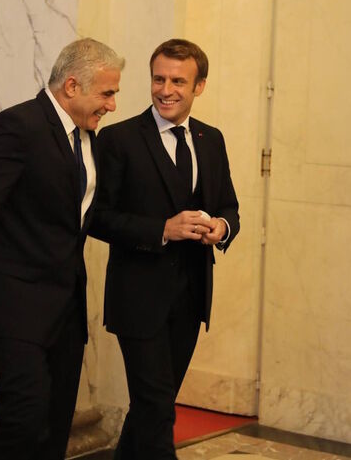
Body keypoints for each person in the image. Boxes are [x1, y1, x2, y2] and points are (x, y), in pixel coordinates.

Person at [0, 38, 123, 460]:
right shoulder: (15, 127)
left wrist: (162, 229)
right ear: (72, 86)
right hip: (13, 302)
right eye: (107, 93)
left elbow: (85, 215)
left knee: (54, 422)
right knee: (25, 414)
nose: (111, 105)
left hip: (65, 306)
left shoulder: (90, 139)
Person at [90, 38, 239, 459]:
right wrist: (163, 229)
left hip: (191, 298)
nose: (166, 89)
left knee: (152, 405)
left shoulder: (211, 139)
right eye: (159, 79)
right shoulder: (118, 139)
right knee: (157, 407)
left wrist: (221, 227)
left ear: (199, 86)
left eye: (178, 80)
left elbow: (229, 205)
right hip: (138, 297)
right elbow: (95, 216)